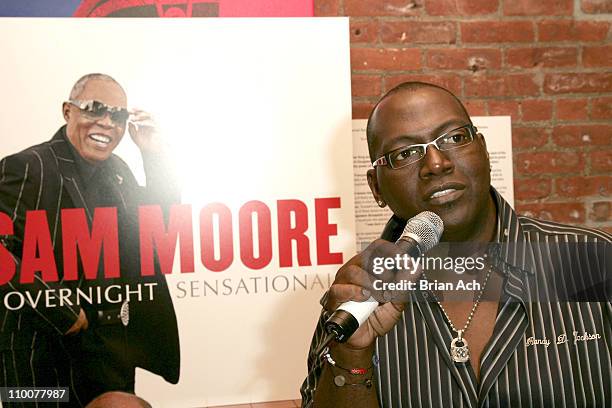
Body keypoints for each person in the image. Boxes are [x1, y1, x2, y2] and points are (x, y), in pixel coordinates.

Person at [301, 82, 611, 407]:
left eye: (454, 138)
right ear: (376, 187)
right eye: (405, 153)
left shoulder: (591, 263)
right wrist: (352, 355)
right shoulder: (355, 300)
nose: (436, 163)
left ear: (484, 150)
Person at [0, 73, 180, 406]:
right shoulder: (27, 167)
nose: (107, 122)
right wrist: (64, 313)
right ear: (68, 111)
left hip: (108, 352)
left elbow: (159, 229)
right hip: (38, 356)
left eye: (118, 115)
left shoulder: (120, 171)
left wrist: (154, 155)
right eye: (95, 109)